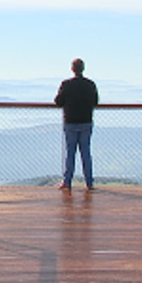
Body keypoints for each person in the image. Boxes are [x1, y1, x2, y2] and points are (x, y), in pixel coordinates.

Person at [54, 58, 99, 191]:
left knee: (70, 153)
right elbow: (95, 101)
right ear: (83, 68)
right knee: (86, 153)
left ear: (72, 69)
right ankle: (89, 182)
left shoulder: (66, 85)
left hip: (71, 122)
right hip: (86, 121)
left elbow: (58, 101)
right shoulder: (90, 84)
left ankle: (67, 181)